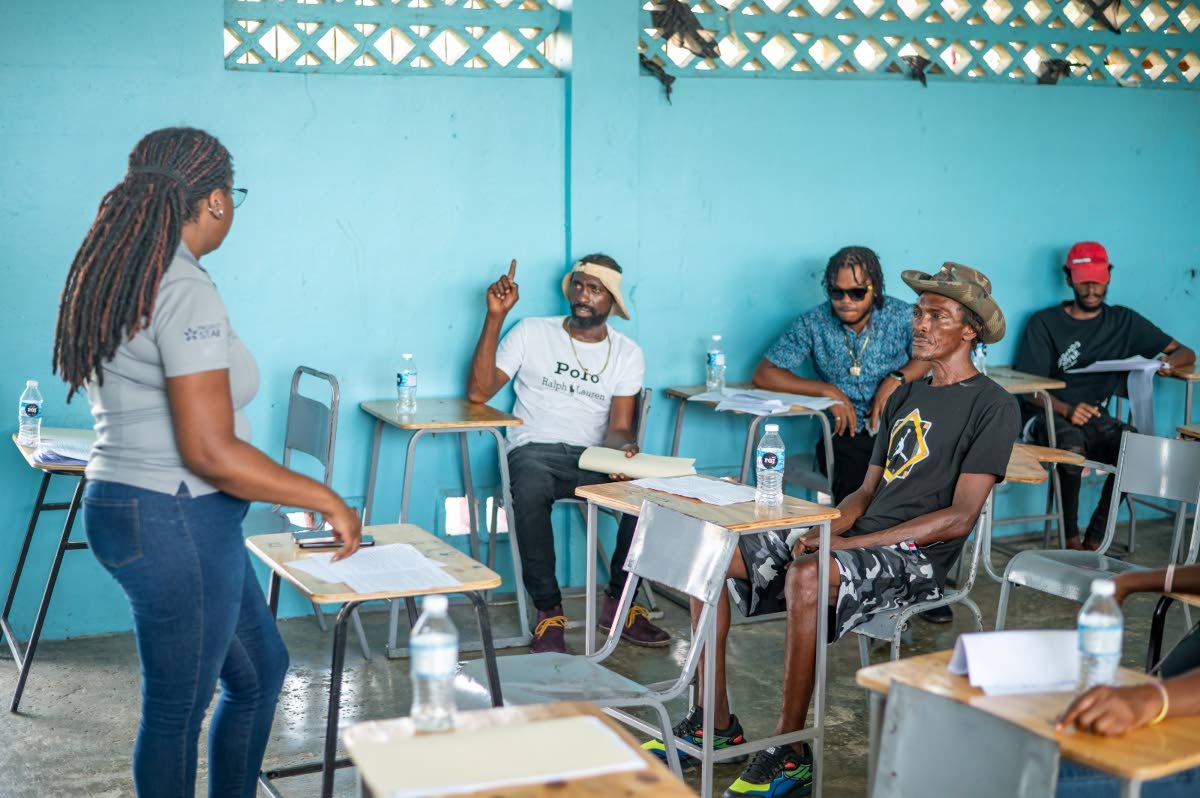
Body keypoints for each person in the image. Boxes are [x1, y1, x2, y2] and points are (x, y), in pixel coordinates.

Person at [53, 127, 362, 798]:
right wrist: (325, 498)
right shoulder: (179, 285)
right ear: (216, 200)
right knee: (175, 712)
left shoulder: (121, 272)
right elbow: (210, 451)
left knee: (259, 673)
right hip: (175, 520)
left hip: (147, 511)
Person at [645, 263, 1020, 798]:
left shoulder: (993, 406)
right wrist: (825, 524)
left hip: (918, 555)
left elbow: (960, 518)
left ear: (970, 331)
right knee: (712, 550)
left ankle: (791, 750)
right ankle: (714, 720)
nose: (920, 324)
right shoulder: (907, 397)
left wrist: (845, 544)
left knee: (807, 575)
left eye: (937, 315)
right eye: (918, 313)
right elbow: (864, 492)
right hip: (863, 536)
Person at [466, 256, 670, 653]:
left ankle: (620, 603)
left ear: (611, 300)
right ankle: (549, 613)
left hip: (592, 457)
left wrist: (622, 454)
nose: (583, 296)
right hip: (534, 449)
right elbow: (479, 392)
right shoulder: (530, 331)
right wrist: (494, 317)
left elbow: (619, 427)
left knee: (646, 495)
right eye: (578, 285)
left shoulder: (628, 353)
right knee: (529, 486)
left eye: (595, 290)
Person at [1013, 241, 1194, 551]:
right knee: (1071, 444)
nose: (1092, 288)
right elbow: (1028, 387)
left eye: (1098, 278)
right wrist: (1066, 409)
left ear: (1109, 276)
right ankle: (1069, 539)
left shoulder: (1123, 321)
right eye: (1083, 279)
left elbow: (1185, 352)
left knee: (1135, 447)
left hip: (1096, 418)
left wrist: (1167, 363)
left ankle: (1095, 539)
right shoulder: (1044, 323)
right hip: (1047, 417)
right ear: (1068, 277)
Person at [754, 246, 927, 506]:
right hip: (845, 432)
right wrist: (826, 391)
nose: (846, 301)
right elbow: (765, 374)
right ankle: (850, 542)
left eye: (857, 293)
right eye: (837, 292)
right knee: (857, 483)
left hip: (897, 425)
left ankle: (900, 542)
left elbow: (927, 358)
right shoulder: (813, 323)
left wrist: (897, 378)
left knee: (919, 474)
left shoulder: (903, 316)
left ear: (875, 288)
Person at [1055, 564, 1200, 797]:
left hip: (1185, 749)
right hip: (1175, 721)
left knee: (1033, 773)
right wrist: (1129, 581)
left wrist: (1153, 698)